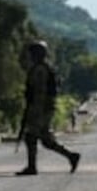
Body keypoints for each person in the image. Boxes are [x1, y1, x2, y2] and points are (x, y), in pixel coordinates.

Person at [16, 40, 81, 176]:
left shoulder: (40, 69)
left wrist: (34, 110)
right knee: (46, 141)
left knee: (31, 136)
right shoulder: (42, 67)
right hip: (44, 107)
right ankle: (71, 156)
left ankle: (32, 167)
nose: (30, 56)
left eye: (32, 54)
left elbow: (40, 92)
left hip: (41, 108)